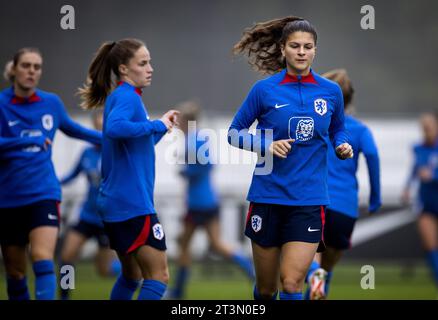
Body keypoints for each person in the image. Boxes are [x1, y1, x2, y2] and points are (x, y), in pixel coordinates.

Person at [228, 16, 353, 300]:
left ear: (315, 51)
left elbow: (338, 130)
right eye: (295, 46)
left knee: (292, 283)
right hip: (267, 198)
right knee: (267, 288)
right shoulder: (263, 90)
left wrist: (342, 146)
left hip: (308, 201)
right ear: (283, 49)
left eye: (307, 47)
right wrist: (265, 145)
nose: (301, 52)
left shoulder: (330, 92)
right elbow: (233, 133)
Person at [79, 38, 179, 300]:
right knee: (158, 278)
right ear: (124, 69)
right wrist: (156, 125)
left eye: (150, 62)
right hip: (132, 203)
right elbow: (115, 128)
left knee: (132, 276)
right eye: (143, 63)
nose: (150, 68)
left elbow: (134, 143)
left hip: (114, 202)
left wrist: (161, 128)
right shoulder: (127, 97)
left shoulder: (121, 97)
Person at [0, 47, 101, 300]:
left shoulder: (51, 103)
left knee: (43, 258)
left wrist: (114, 138)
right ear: (14, 69)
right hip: (8, 198)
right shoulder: (1, 104)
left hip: (43, 192)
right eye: (26, 65)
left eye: (37, 67)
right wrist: (22, 142)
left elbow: (75, 130)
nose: (32, 71)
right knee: (14, 272)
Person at [304, 69, 381, 300]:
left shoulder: (313, 123)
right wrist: (375, 197)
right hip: (345, 209)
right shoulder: (359, 129)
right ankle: (318, 287)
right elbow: (373, 156)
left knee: (309, 264)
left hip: (314, 203)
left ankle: (315, 280)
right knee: (326, 271)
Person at [168, 101, 254, 299]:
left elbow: (206, 165)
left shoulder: (194, 140)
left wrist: (186, 172)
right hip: (206, 201)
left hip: (200, 203)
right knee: (211, 244)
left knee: (187, 245)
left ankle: (178, 292)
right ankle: (251, 272)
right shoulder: (195, 138)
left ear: (185, 120)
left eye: (180, 120)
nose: (178, 123)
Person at [58, 111, 121, 300]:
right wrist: (52, 181)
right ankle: (64, 296)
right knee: (67, 257)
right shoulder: (86, 153)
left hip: (107, 220)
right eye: (97, 125)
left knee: (104, 270)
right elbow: (72, 175)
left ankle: (137, 275)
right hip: (87, 216)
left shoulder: (117, 152)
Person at [402, 113, 438, 288]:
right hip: (427, 204)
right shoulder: (418, 148)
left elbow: (428, 173)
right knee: (430, 245)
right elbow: (415, 169)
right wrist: (407, 188)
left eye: (429, 127)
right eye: (424, 128)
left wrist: (433, 175)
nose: (426, 131)